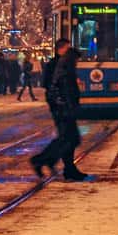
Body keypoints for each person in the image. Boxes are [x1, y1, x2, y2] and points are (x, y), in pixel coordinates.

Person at [30, 39, 92, 182]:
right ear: (61, 49)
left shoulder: (64, 65)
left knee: (69, 139)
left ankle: (67, 168)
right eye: (67, 48)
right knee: (69, 139)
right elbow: (53, 87)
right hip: (63, 109)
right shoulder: (58, 65)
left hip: (65, 108)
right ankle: (41, 160)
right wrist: (63, 105)